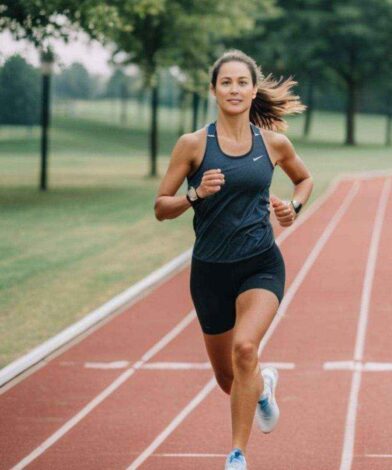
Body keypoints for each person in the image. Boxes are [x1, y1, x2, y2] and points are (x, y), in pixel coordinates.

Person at [154, 50, 313, 470]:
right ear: (214, 90)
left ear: (253, 89)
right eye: (226, 82)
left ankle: (236, 454)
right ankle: (263, 389)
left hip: (260, 263)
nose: (235, 89)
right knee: (229, 380)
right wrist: (195, 194)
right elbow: (161, 206)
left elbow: (304, 179)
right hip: (209, 272)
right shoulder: (192, 145)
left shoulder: (273, 143)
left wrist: (293, 209)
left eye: (242, 82)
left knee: (246, 349)